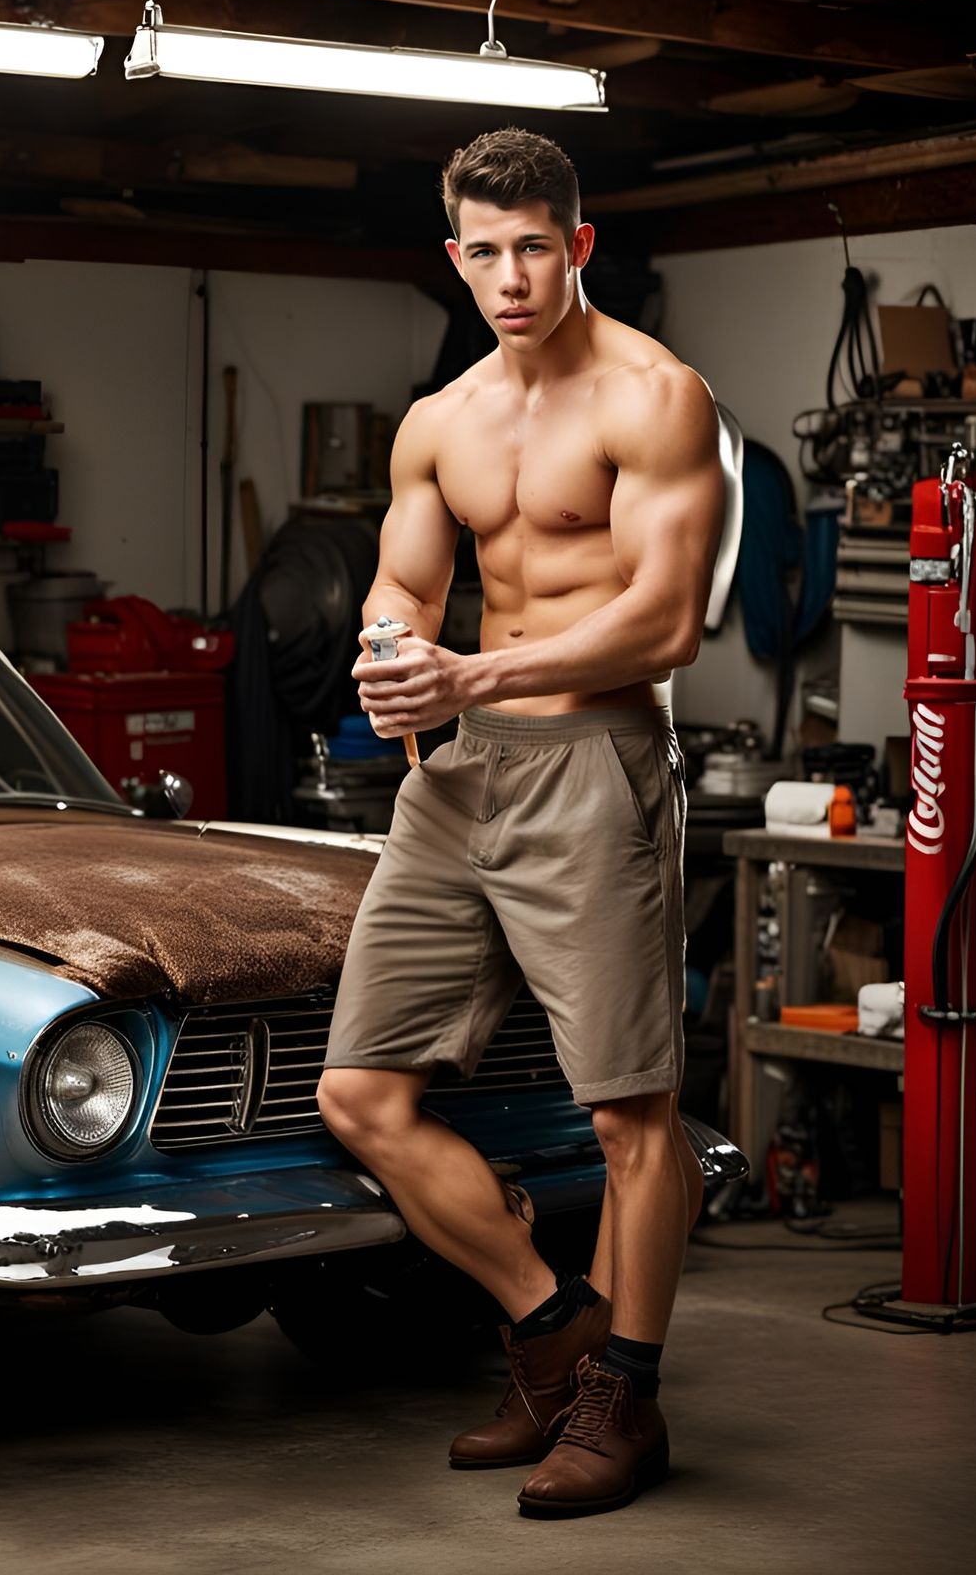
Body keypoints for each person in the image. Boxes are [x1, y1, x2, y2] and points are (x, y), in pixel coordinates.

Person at [316, 127, 725, 1519]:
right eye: (483, 250)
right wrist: (388, 656)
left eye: (533, 245)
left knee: (631, 1119)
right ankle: (555, 1335)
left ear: (579, 245)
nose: (510, 274)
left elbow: (666, 623)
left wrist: (473, 670)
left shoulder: (657, 400)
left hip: (594, 767)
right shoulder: (440, 420)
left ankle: (631, 1397)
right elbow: (401, 588)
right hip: (456, 781)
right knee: (360, 1095)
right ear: (455, 256)